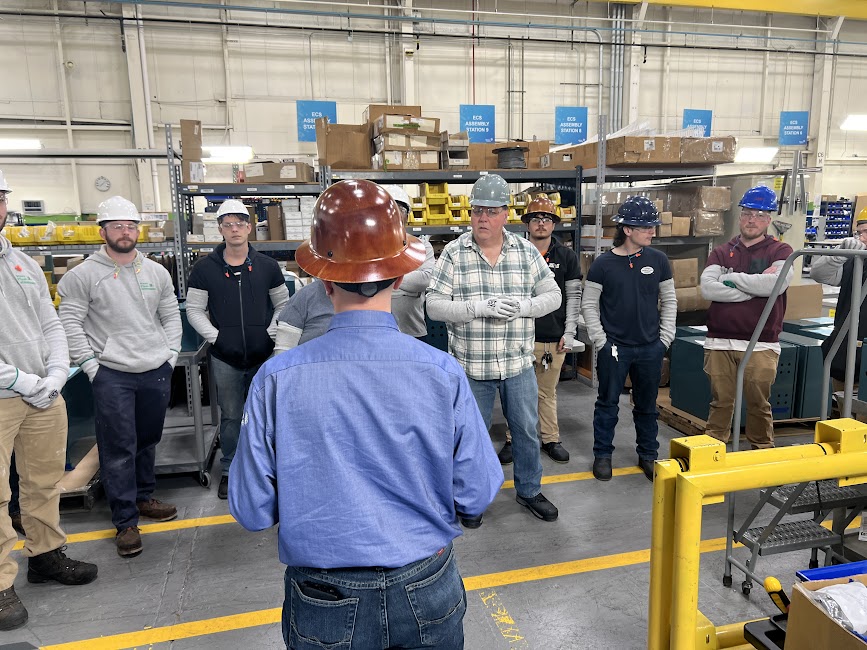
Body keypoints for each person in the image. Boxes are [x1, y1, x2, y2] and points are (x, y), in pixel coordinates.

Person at [230, 180, 503, 650]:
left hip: (323, 593)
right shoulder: (442, 372)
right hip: (426, 582)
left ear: (322, 280)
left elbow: (252, 509)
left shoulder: (276, 379)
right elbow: (476, 492)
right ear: (399, 278)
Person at [427, 173, 561, 524]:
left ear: (505, 215)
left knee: (527, 431)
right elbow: (434, 305)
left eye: (490, 211)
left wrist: (524, 307)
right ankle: (472, 498)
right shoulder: (455, 253)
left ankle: (529, 490)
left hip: (517, 364)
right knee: (470, 437)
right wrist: (477, 308)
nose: (482, 218)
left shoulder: (525, 252)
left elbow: (553, 295)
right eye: (477, 211)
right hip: (472, 367)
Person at [58, 195, 183, 558]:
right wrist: (91, 366)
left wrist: (170, 355)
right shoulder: (83, 275)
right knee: (118, 447)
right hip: (111, 373)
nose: (125, 232)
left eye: (130, 226)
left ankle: (143, 496)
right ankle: (126, 521)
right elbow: (70, 322)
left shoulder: (156, 272)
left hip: (155, 369)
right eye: (117, 226)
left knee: (147, 438)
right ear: (103, 232)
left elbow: (170, 315)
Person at [0, 169, 97, 630]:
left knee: (43, 482)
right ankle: (0, 583)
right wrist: (23, 380)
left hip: (43, 394)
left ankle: (45, 554)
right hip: (7, 395)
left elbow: (50, 323)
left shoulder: (21, 263)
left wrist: (57, 374)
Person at [185, 199, 289, 500]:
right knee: (231, 416)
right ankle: (230, 469)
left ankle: (267, 469)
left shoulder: (268, 267)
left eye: (240, 223)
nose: (234, 229)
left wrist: (270, 334)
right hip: (225, 358)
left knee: (266, 414)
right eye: (228, 224)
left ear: (249, 227)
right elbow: (194, 310)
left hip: (263, 355)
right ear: (220, 229)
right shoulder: (204, 269)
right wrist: (216, 338)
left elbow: (283, 304)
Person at [273, 184, 435, 351]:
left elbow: (424, 280)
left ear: (327, 282)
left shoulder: (278, 370)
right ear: (398, 279)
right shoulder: (441, 366)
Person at [583, 196, 676, 482]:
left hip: (650, 347)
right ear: (627, 229)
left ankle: (648, 454)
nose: (652, 232)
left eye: (652, 226)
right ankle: (603, 454)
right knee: (607, 403)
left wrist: (664, 339)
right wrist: (601, 341)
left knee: (647, 406)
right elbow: (589, 305)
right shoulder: (603, 264)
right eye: (646, 227)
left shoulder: (658, 260)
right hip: (614, 348)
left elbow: (669, 300)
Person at [700, 185, 793, 450]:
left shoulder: (781, 251)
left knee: (759, 405)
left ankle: (761, 452)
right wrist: (754, 288)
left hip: (761, 343)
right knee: (720, 403)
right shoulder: (721, 251)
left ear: (768, 219)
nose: (752, 219)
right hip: (719, 342)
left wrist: (729, 279)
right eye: (748, 213)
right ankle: (712, 453)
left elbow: (776, 285)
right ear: (740, 216)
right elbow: (707, 288)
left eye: (760, 215)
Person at [497, 195, 583, 466]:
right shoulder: (513, 253)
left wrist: (570, 332)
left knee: (547, 393)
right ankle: (513, 439)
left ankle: (550, 439)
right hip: (519, 337)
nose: (541, 223)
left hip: (552, 340)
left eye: (547, 219)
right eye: (536, 218)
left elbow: (573, 298)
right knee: (516, 395)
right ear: (527, 224)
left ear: (554, 224)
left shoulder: (566, 257)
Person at [809, 208, 867, 287]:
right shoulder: (853, 260)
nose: (861, 239)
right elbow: (818, 275)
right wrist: (839, 255)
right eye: (859, 233)